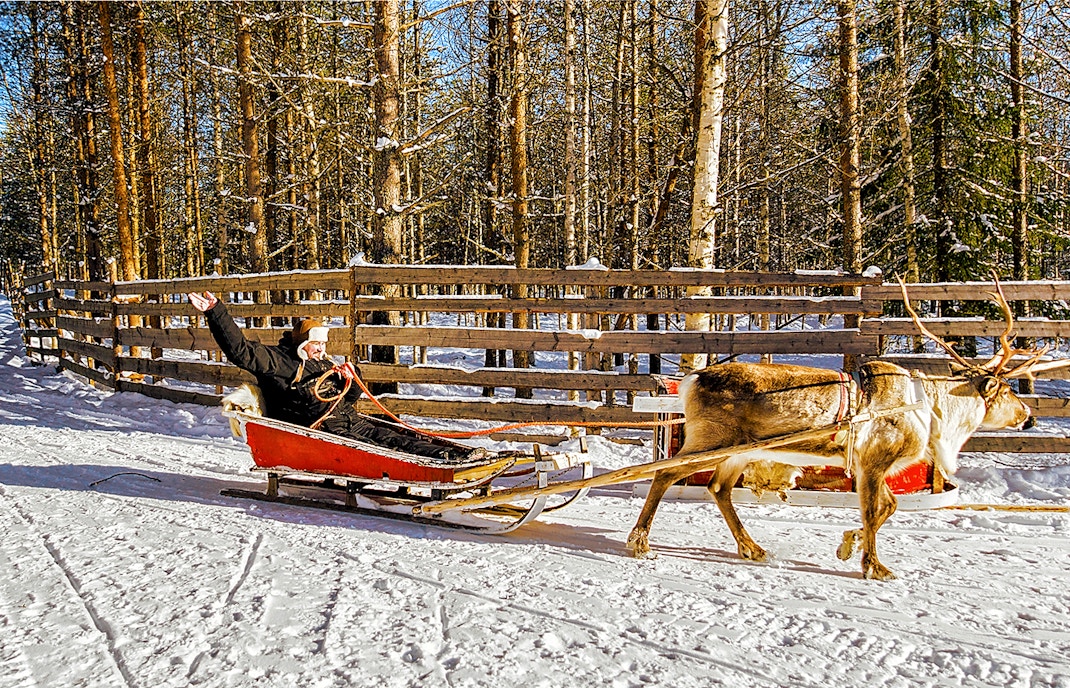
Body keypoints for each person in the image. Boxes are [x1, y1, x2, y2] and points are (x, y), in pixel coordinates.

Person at [188, 291, 482, 462]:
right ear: (303, 343)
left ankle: (455, 455)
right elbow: (240, 351)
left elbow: (349, 400)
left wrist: (351, 380)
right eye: (317, 344)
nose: (322, 350)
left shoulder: (322, 363)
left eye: (324, 345)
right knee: (384, 448)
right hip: (317, 429)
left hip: (346, 420)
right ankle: (439, 464)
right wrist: (217, 312)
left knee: (392, 434)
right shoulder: (279, 362)